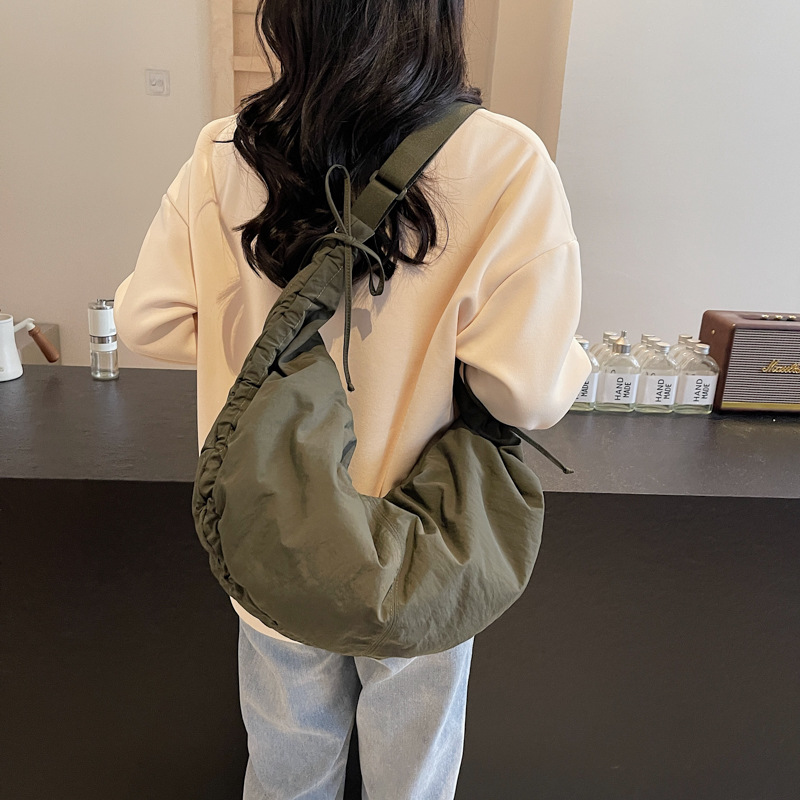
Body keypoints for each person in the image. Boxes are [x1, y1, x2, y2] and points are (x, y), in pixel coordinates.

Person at [114, 1, 590, 797]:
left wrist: (258, 344)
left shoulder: (226, 151)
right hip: (423, 541)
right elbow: (526, 394)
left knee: (287, 770)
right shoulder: (505, 159)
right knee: (414, 780)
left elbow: (148, 322)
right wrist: (563, 357)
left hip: (276, 527)